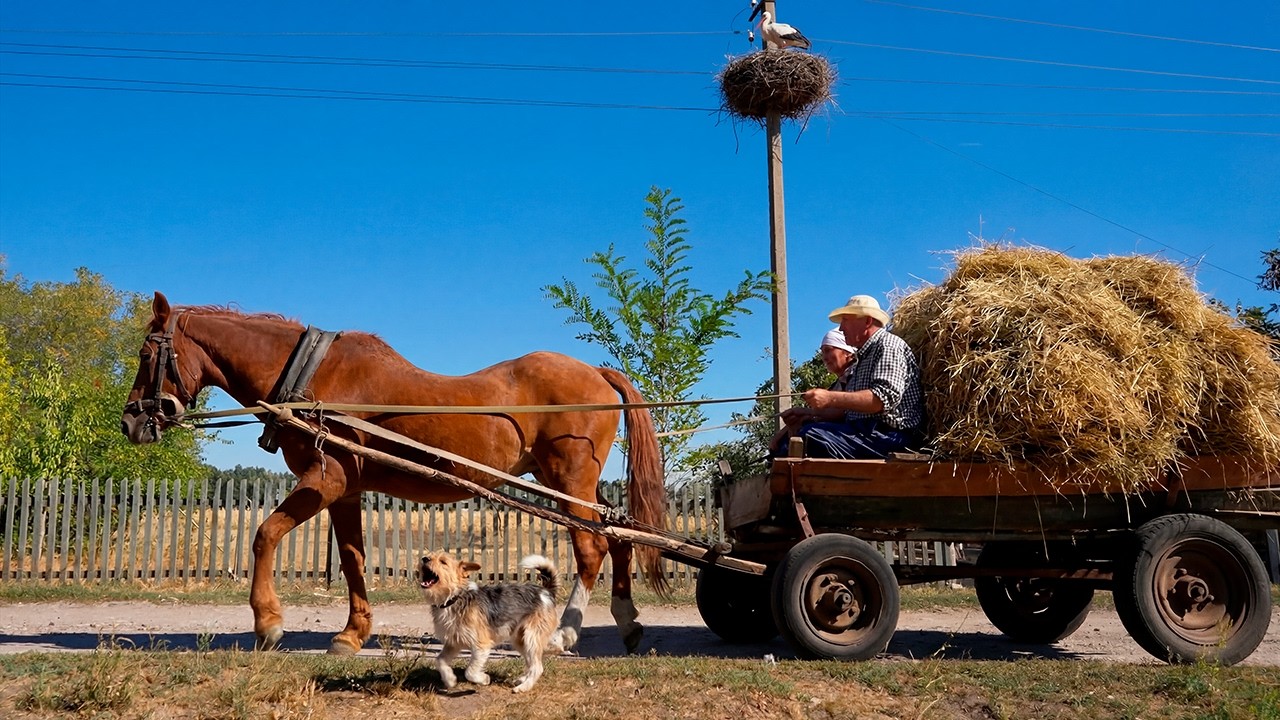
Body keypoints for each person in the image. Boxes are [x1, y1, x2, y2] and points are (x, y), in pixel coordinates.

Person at [786, 294, 925, 459]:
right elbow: (847, 411)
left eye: (845, 320)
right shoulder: (862, 357)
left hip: (889, 436)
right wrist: (806, 413)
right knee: (797, 437)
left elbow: (879, 400)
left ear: (867, 321)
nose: (842, 328)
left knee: (812, 436)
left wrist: (830, 398)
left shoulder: (888, 346)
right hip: (866, 433)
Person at [770, 328, 858, 451]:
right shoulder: (837, 385)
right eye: (822, 352)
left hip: (852, 438)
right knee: (782, 444)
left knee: (808, 435)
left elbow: (844, 412)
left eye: (828, 351)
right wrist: (784, 430)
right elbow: (822, 413)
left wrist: (807, 413)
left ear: (847, 352)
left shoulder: (856, 377)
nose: (824, 358)